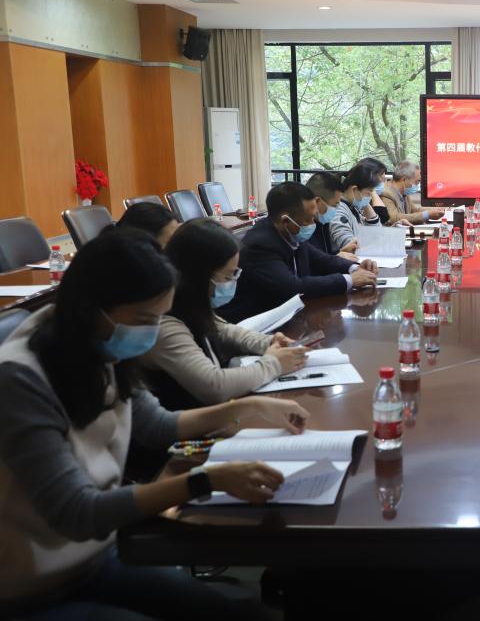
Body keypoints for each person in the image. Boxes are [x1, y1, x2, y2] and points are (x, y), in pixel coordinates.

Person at [0, 229, 308, 619]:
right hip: (30, 588)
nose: (154, 330)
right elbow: (77, 513)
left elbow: (158, 425)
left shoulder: (96, 345)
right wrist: (205, 480)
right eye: (146, 319)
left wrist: (250, 408)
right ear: (92, 307)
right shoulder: (20, 379)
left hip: (93, 559)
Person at [139, 219, 310, 410]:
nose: (232, 282)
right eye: (228, 276)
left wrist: (269, 343)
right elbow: (215, 386)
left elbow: (225, 331)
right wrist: (274, 364)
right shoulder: (165, 323)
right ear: (198, 275)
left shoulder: (191, 305)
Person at [217, 182, 378, 323]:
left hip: (288, 314)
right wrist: (349, 280)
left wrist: (354, 268)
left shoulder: (289, 232)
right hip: (255, 321)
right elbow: (292, 287)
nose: (313, 223)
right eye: (308, 219)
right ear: (286, 221)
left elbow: (320, 259)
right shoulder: (260, 244)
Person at [329, 163, 389, 255]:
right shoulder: (338, 211)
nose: (370, 197)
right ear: (354, 189)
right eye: (368, 193)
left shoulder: (353, 207)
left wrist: (365, 203)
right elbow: (349, 245)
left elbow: (377, 232)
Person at [305, 171, 357, 257]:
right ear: (317, 201)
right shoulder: (303, 229)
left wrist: (342, 252)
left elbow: (324, 256)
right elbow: (309, 261)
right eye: (334, 205)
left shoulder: (322, 222)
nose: (337, 209)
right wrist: (337, 257)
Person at [379, 160, 444, 226]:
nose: (417, 185)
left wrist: (434, 210)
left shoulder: (404, 191)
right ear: (404, 179)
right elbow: (394, 218)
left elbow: (414, 210)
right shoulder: (386, 194)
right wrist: (427, 215)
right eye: (416, 181)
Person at [358, 157, 392, 225]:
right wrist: (372, 190)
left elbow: (381, 221)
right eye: (381, 175)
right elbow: (382, 218)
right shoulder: (358, 199)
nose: (384, 179)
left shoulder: (370, 198)